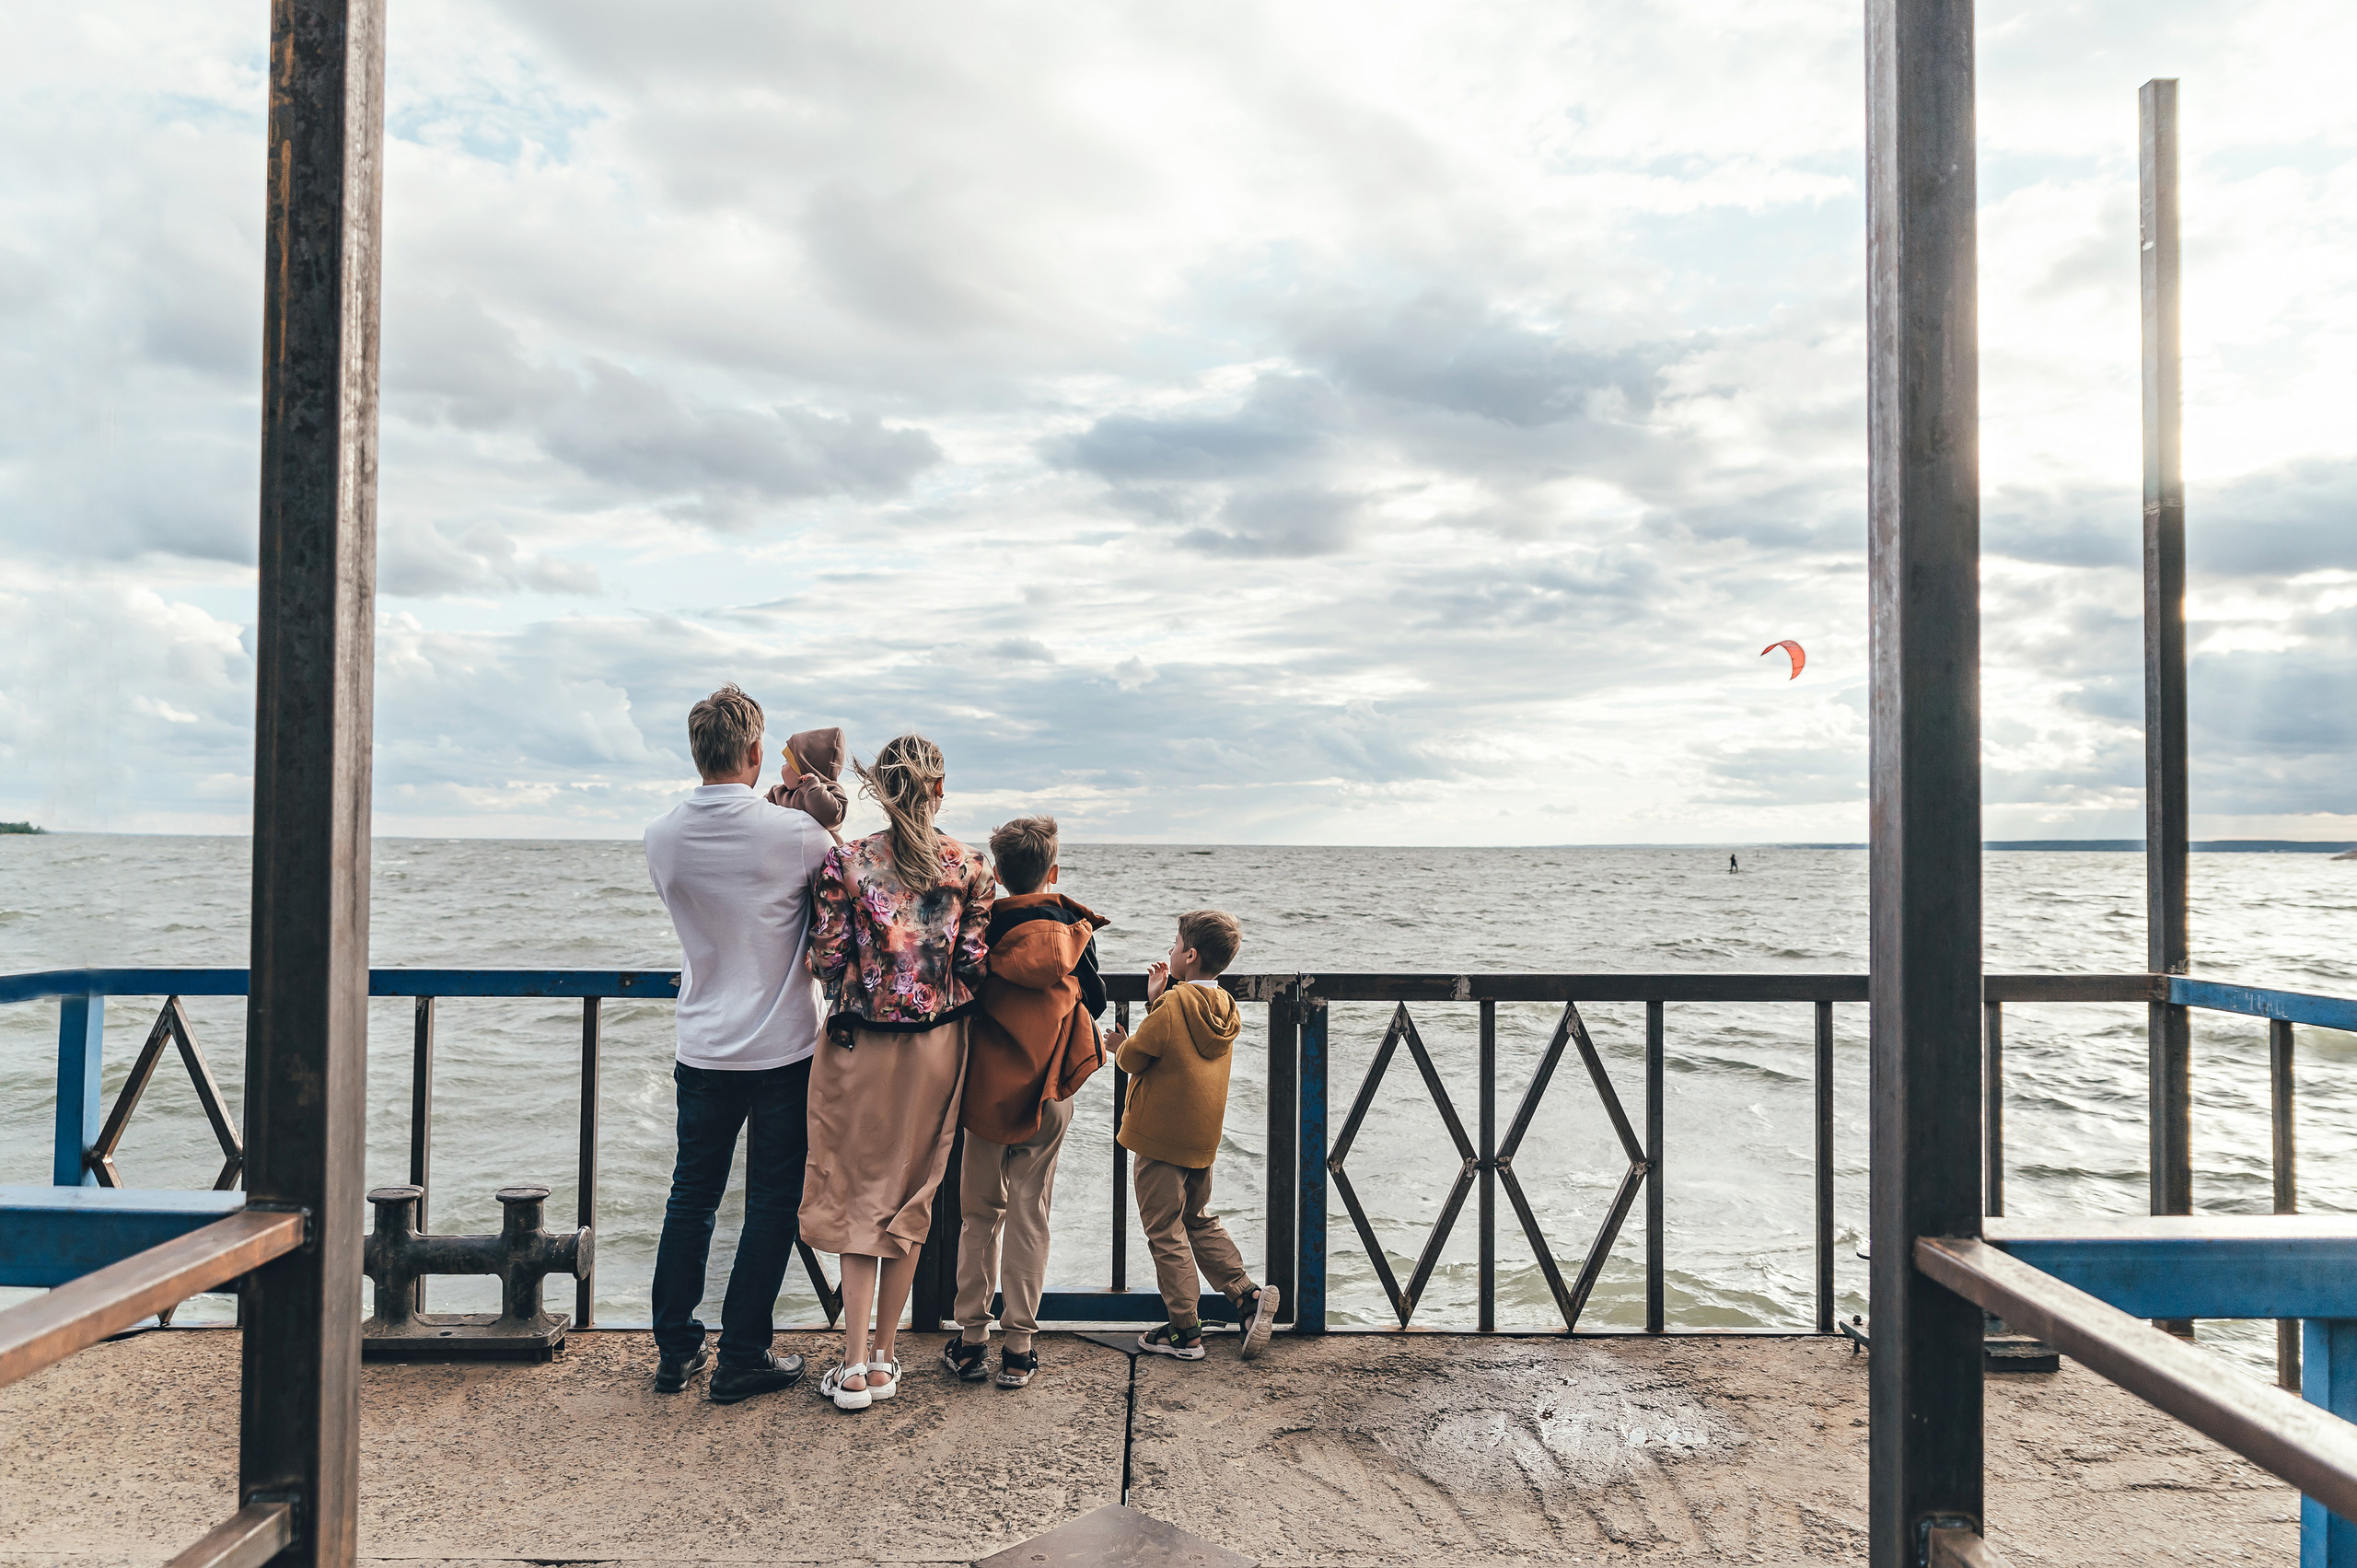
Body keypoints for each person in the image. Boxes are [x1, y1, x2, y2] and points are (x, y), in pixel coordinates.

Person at [641, 684, 834, 1403]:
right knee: (772, 1201)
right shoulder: (799, 837)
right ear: (757, 752)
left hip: (702, 1045)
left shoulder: (661, 837)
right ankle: (742, 1353)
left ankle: (674, 1349)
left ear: (697, 752)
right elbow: (846, 898)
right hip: (783, 1048)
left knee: (690, 1195)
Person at [802, 733, 993, 1411]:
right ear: (939, 791)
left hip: (862, 1045)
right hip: (939, 1049)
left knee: (858, 1193)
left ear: (882, 789)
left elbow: (826, 958)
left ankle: (850, 1367)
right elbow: (974, 963)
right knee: (915, 1195)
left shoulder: (847, 861)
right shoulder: (969, 865)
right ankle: (886, 1358)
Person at [946, 815, 1109, 1389]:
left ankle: (970, 1341)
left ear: (998, 873)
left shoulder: (980, 931)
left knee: (978, 1217)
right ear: (1053, 870)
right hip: (1049, 1092)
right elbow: (1100, 1000)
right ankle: (1020, 1348)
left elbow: (956, 995)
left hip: (988, 1095)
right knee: (1029, 1214)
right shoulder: (1072, 934)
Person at [1107, 909, 1281, 1361]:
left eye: (1174, 942)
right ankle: (1246, 1297)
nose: (1169, 950)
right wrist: (1159, 1001)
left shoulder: (1173, 1004)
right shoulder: (1224, 1007)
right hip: (1201, 1141)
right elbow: (1182, 1043)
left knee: (1164, 1231)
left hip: (1160, 1139)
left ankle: (1185, 1331)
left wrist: (1117, 1043)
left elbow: (1136, 1058)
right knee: (1197, 1218)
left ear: (1190, 954)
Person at [768, 726, 849, 842]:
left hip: (823, 857)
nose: (782, 767)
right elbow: (758, 812)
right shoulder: (777, 793)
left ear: (802, 769)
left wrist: (813, 788)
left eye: (787, 762)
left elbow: (831, 818)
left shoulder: (828, 790)